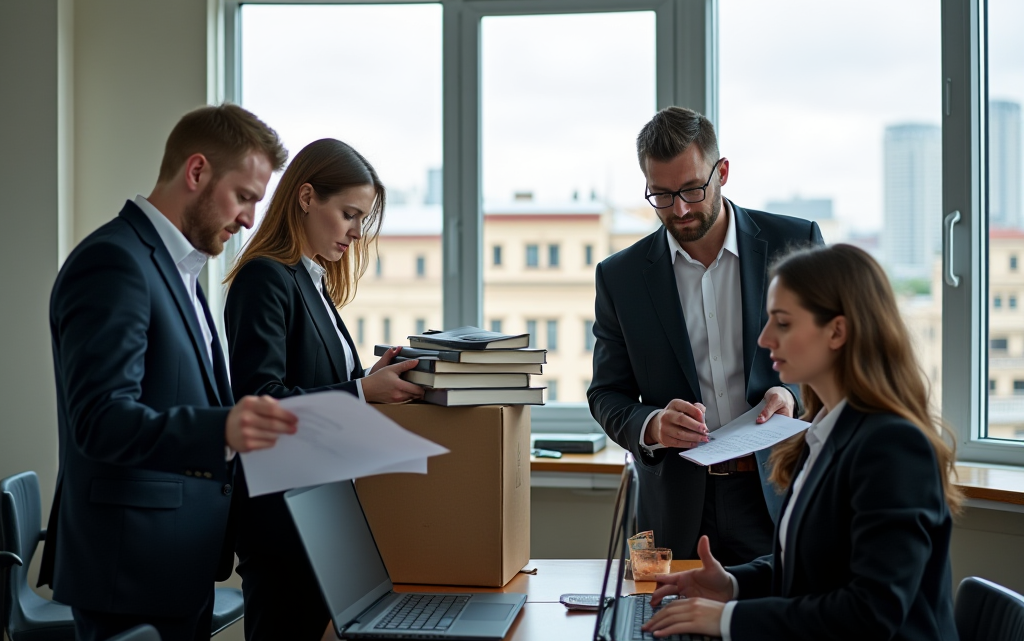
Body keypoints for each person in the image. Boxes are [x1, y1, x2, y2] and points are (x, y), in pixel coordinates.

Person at [40, 104, 300, 641]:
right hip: (129, 570)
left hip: (176, 560)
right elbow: (100, 419)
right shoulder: (114, 262)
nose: (250, 219)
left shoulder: (179, 269)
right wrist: (222, 429)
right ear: (197, 172)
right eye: (244, 197)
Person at [643, 243, 961, 640]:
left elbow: (871, 612)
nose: (764, 338)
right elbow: (812, 567)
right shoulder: (823, 431)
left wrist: (726, 620)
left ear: (837, 331)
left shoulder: (893, 447)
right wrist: (733, 586)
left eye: (783, 323)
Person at [588, 106, 824, 564]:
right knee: (666, 632)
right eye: (661, 195)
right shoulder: (621, 276)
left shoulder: (795, 243)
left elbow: (836, 356)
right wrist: (652, 425)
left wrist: (791, 393)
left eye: (693, 189)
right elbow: (605, 394)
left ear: (723, 171)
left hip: (777, 488)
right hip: (674, 509)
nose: (679, 209)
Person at [223, 138, 424, 641]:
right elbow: (260, 399)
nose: (356, 233)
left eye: (363, 220)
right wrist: (362, 393)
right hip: (282, 516)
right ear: (307, 196)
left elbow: (313, 382)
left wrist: (368, 378)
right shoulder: (264, 279)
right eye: (349, 215)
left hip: (319, 509)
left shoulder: (310, 281)